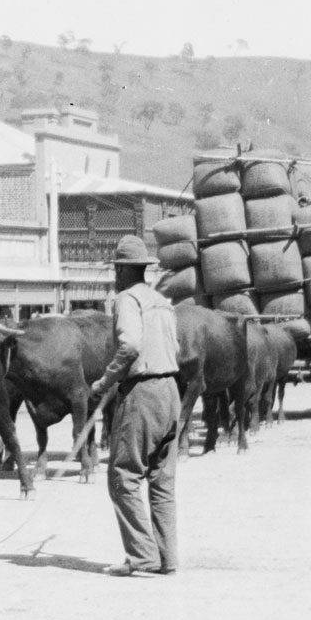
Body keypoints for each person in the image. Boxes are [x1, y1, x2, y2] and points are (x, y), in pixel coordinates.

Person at [89, 234, 181, 577]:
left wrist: (104, 382)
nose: (115, 275)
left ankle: (142, 558)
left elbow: (129, 346)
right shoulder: (161, 300)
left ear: (123, 270)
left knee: (122, 476)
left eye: (116, 269)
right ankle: (166, 560)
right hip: (171, 389)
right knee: (161, 480)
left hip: (143, 392)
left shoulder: (126, 299)